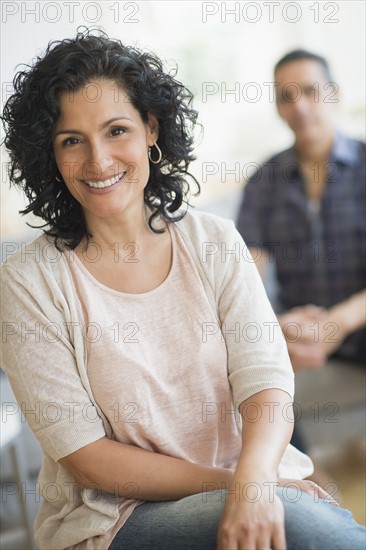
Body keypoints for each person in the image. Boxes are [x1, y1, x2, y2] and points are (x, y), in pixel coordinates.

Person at [1, 29, 365, 550]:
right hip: (121, 516)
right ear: (49, 155)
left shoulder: (213, 239)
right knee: (301, 523)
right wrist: (246, 487)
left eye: (116, 130)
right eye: (72, 140)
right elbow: (87, 458)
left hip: (254, 480)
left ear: (150, 128)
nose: (99, 161)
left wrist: (255, 481)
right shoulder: (29, 282)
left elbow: (265, 381)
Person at [236, 50, 366, 453]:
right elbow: (243, 283)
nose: (301, 107)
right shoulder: (264, 182)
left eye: (310, 91)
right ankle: (308, 484)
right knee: (242, 367)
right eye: (286, 97)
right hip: (296, 336)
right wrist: (279, 327)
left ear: (334, 94)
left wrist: (338, 324)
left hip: (358, 327)